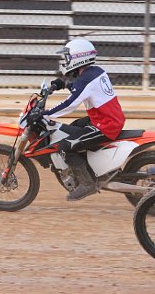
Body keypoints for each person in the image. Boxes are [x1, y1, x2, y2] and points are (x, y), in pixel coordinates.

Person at [44, 38, 126, 201]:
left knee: (65, 146)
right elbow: (80, 87)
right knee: (73, 128)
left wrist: (46, 114)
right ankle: (93, 167)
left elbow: (70, 104)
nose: (65, 61)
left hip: (106, 126)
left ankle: (87, 183)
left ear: (77, 58)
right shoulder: (94, 72)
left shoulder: (86, 80)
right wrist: (64, 83)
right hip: (105, 119)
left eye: (68, 57)